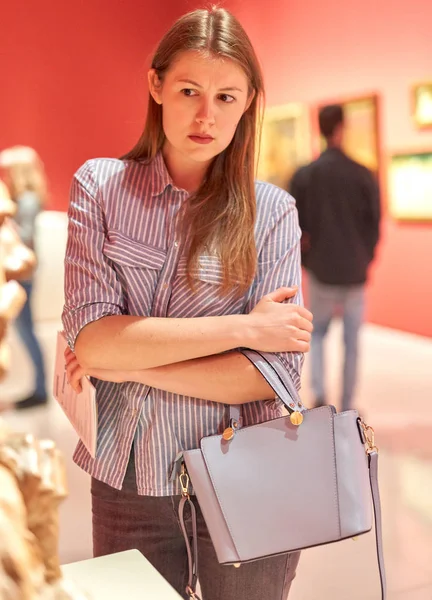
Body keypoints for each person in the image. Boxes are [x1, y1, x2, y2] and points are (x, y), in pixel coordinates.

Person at [62, 8, 313, 600]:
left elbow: (266, 377)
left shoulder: (272, 212)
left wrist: (127, 364)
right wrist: (246, 326)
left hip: (250, 476)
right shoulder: (98, 187)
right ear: (156, 86)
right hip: (129, 480)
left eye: (227, 96)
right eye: (189, 91)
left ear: (249, 101)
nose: (207, 114)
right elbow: (93, 340)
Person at [290, 104, 381, 412]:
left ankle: (319, 397)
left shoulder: (305, 175)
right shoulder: (363, 174)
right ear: (342, 128)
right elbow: (374, 226)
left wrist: (308, 261)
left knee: (316, 335)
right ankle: (347, 403)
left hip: (321, 271)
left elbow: (296, 228)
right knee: (352, 342)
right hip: (354, 273)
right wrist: (364, 259)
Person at [0, 146, 48, 409]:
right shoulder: (24, 198)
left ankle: (40, 389)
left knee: (26, 331)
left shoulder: (27, 200)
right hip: (21, 270)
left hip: (23, 272)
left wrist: (5, 220)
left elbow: (25, 235)